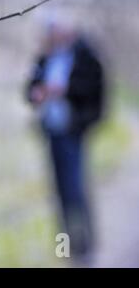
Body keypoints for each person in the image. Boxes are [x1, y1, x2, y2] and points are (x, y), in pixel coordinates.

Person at [25, 18, 106, 260]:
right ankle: (67, 246)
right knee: (59, 190)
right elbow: (30, 87)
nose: (53, 35)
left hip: (73, 132)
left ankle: (85, 247)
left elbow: (95, 89)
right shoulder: (46, 58)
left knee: (76, 189)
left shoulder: (85, 55)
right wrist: (37, 93)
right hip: (52, 132)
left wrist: (64, 90)